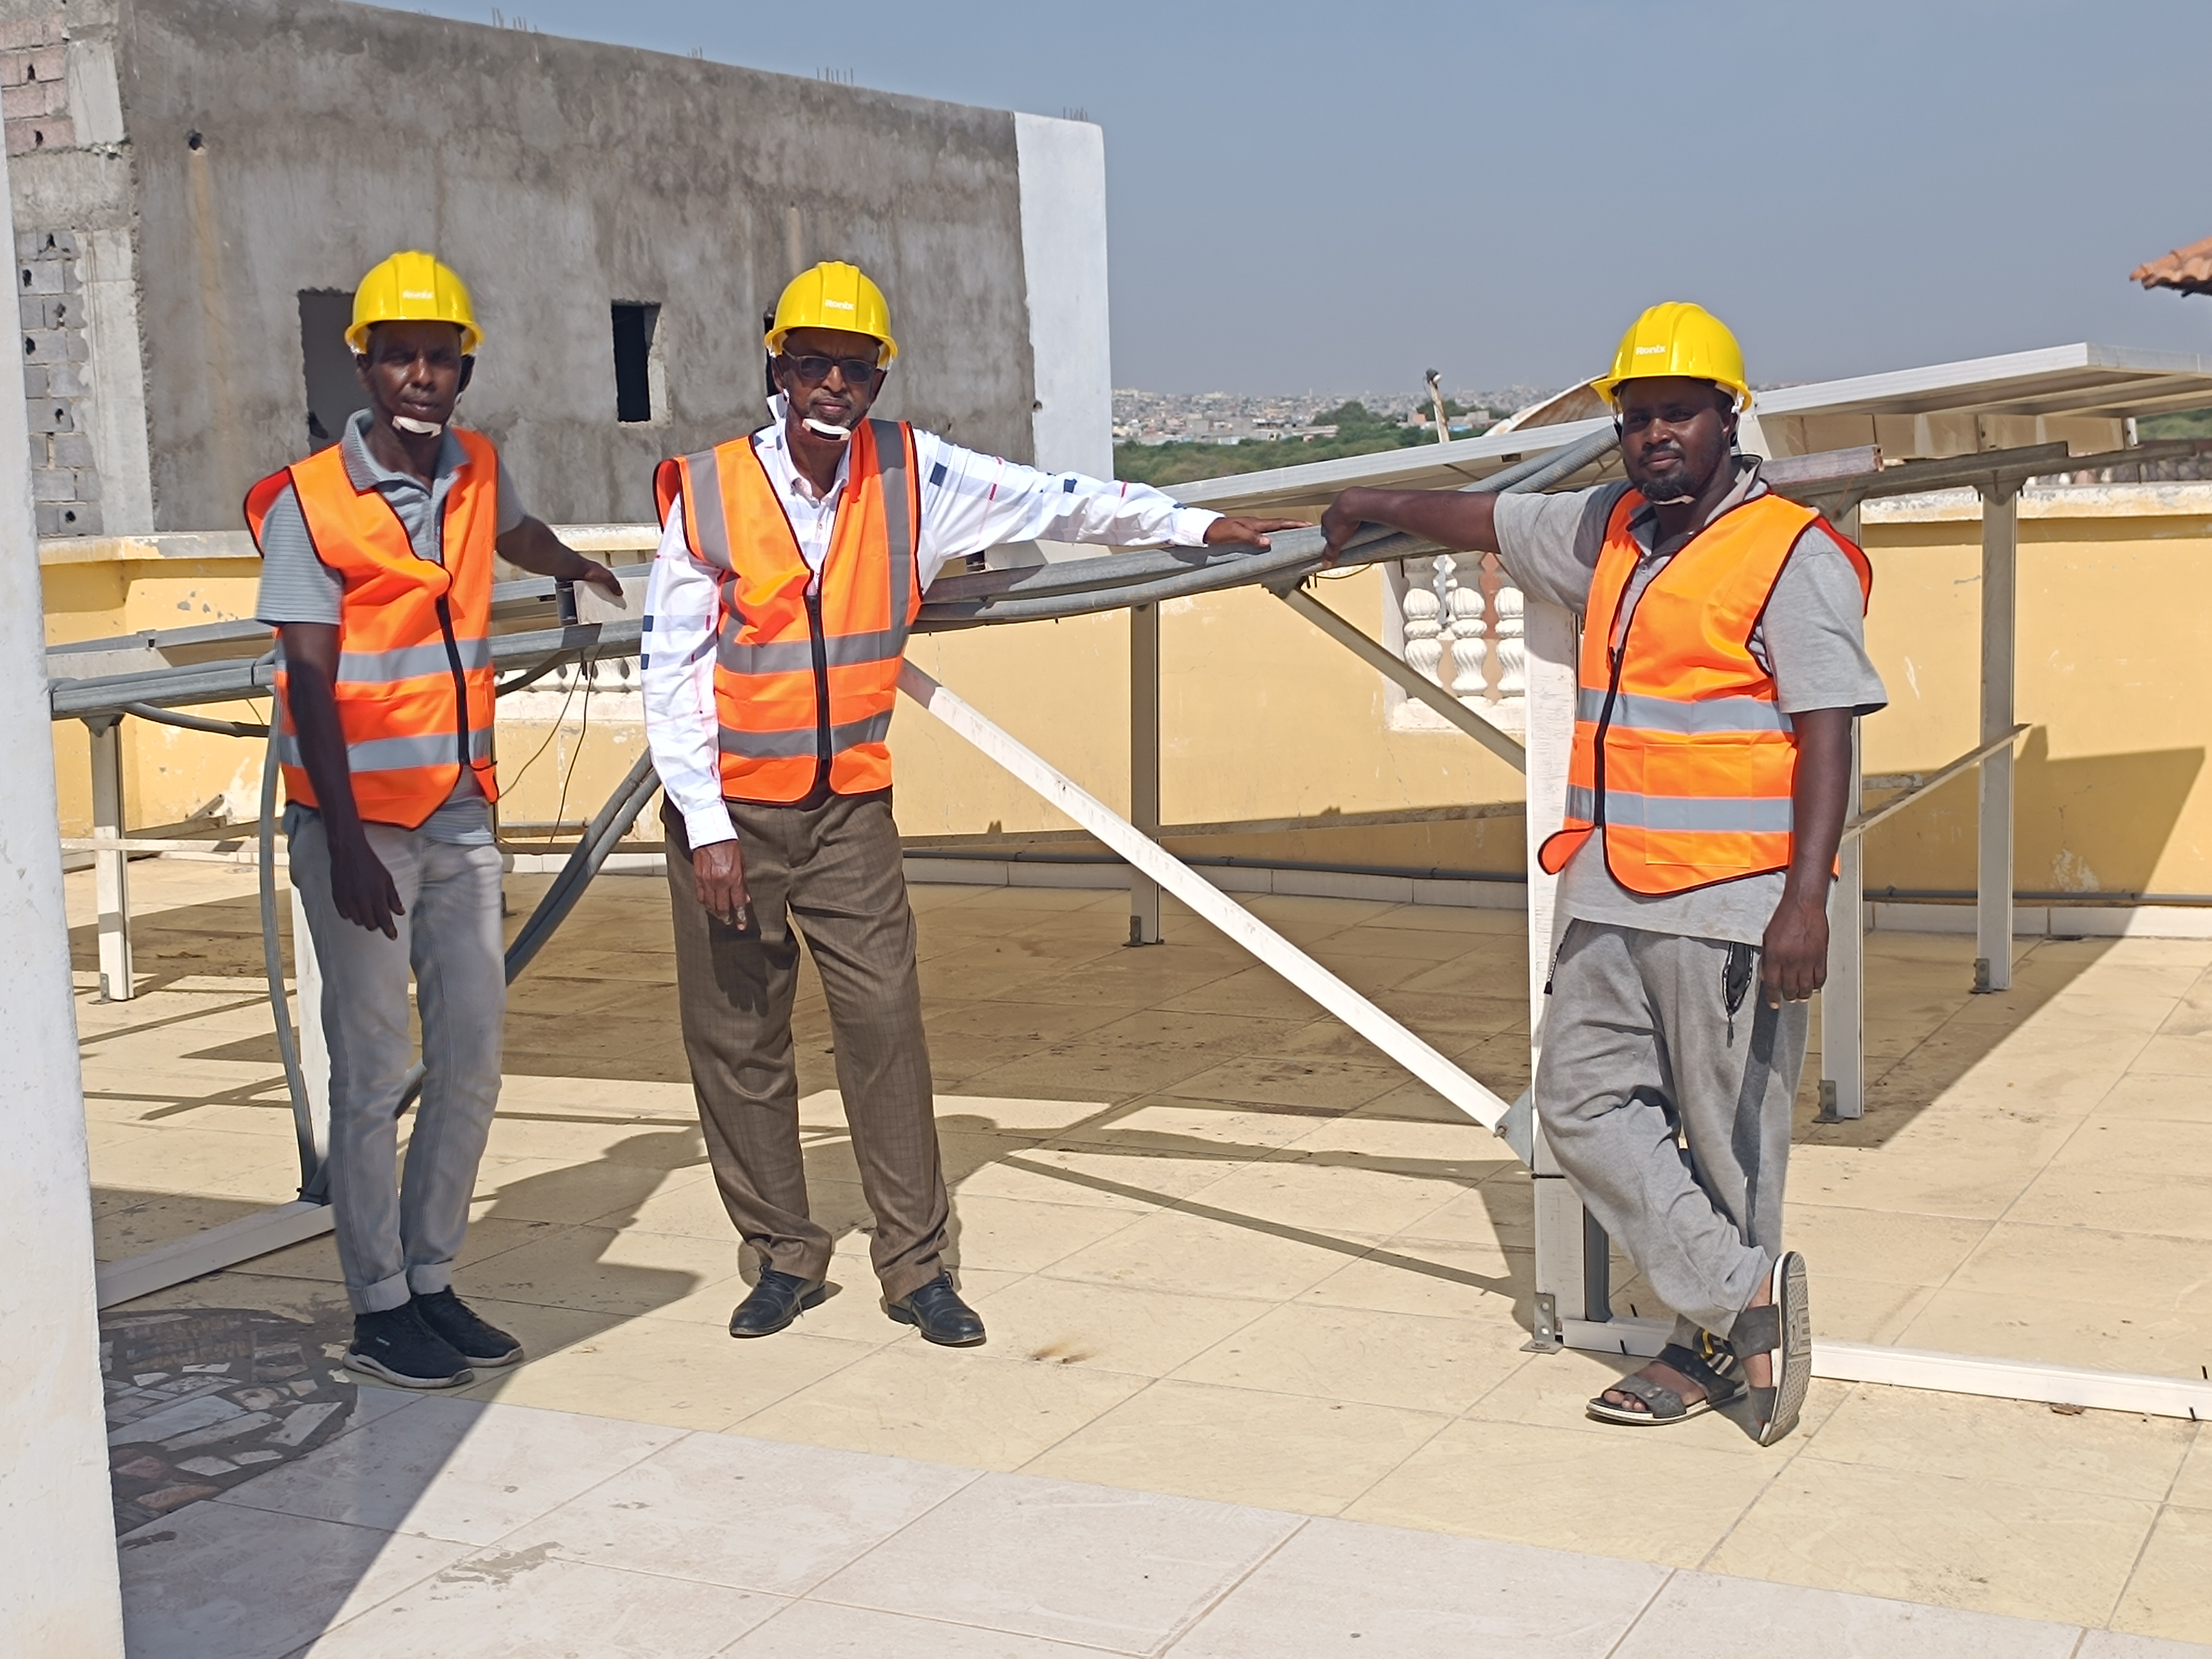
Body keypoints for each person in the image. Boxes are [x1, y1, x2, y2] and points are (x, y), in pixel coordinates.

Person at [642, 261, 1297, 1346]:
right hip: (731, 816)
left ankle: (915, 1268)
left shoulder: (913, 474)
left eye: (855, 368)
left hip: (848, 806)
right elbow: (671, 669)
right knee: (739, 1040)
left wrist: (1198, 522)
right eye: (813, 363)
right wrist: (706, 825)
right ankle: (781, 1256)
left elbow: (1059, 500)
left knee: (884, 1029)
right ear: (778, 363)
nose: (833, 385)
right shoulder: (709, 490)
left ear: (878, 376)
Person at [1319, 303, 1884, 1445]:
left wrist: (1806, 901)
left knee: (1730, 1140)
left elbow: (1831, 729)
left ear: (1730, 418)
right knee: (1575, 1107)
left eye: (1677, 413)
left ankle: (1710, 1347)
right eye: (1635, 419)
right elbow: (1485, 518)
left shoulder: (1790, 552)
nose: (1653, 436)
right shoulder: (1608, 529)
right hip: (1613, 884)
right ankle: (1740, 1298)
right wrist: (1371, 502)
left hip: (1735, 897)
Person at [247, 250, 626, 1388]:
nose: (421, 374)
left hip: (461, 812)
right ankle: (375, 1307)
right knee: (375, 1070)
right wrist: (351, 844)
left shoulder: (475, 468)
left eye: (439, 357)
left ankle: (430, 1276)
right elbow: (309, 679)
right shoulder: (310, 502)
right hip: (359, 831)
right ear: (364, 364)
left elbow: (514, 534)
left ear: (465, 366)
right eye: (399, 355)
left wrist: (579, 567)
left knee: (471, 1055)